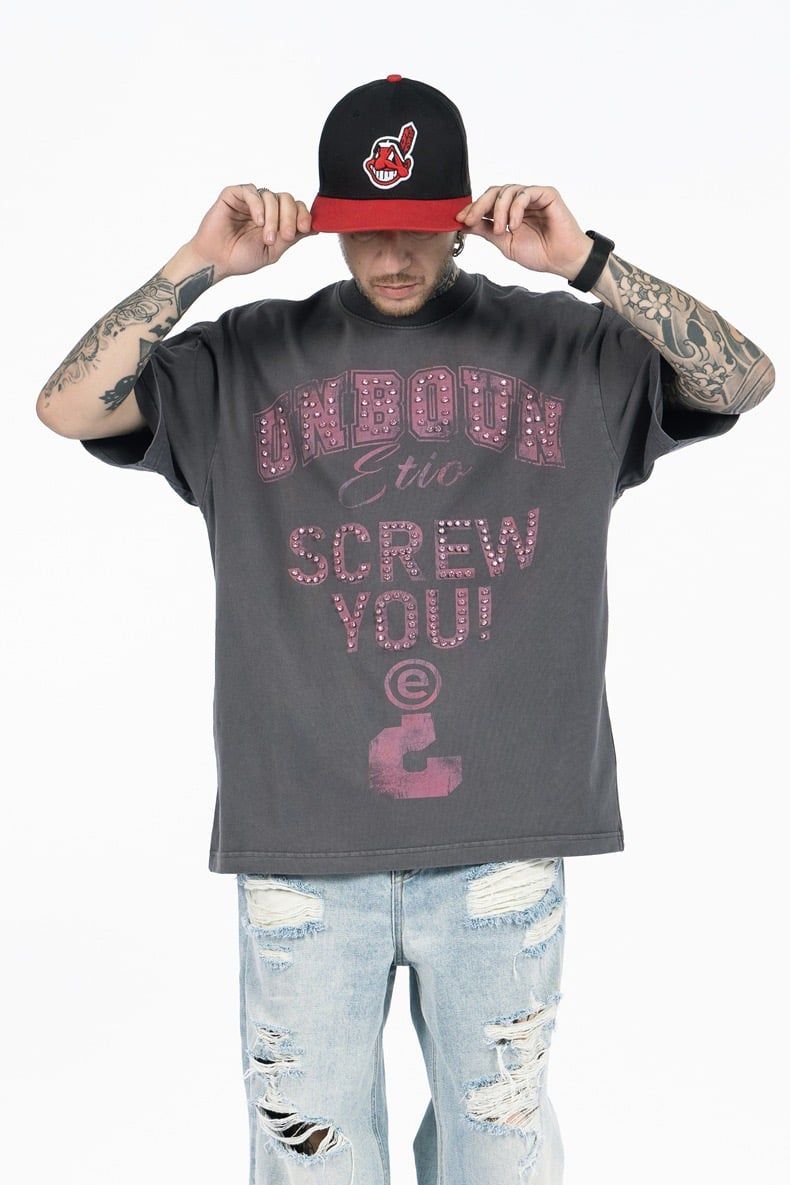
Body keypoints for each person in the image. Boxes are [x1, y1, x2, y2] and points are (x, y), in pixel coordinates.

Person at [36, 75, 774, 1185]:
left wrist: (587, 263)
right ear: (328, 221)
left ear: (462, 218)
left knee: (499, 1152)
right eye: (365, 227)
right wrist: (197, 264)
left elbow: (743, 378)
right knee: (311, 1156)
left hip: (505, 833)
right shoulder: (244, 358)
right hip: (300, 835)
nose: (391, 254)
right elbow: (68, 407)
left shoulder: (570, 349)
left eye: (419, 227)